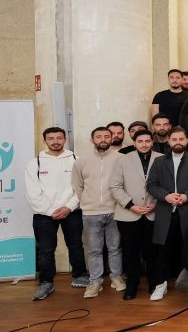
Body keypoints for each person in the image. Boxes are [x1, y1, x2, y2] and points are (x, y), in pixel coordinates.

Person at [146, 127, 188, 301]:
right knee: (163, 252)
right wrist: (166, 196)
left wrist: (187, 196)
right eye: (174, 139)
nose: (177, 142)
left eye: (181, 139)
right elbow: (151, 184)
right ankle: (160, 285)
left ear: (186, 140)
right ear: (168, 141)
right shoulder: (159, 161)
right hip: (166, 213)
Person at [26, 127, 88, 300]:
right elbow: (32, 192)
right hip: (44, 214)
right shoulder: (35, 163)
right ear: (45, 140)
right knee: (46, 250)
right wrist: (50, 211)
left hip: (72, 211)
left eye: (59, 138)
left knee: (76, 245)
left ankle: (80, 275)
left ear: (65, 139)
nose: (55, 142)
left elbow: (82, 187)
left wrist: (69, 207)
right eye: (51, 138)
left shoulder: (76, 160)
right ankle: (46, 282)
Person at [72, 127, 124, 298]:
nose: (103, 139)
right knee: (94, 249)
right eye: (98, 136)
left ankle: (116, 277)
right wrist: (86, 202)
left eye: (106, 136)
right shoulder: (81, 161)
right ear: (92, 140)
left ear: (111, 138)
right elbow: (78, 185)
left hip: (115, 210)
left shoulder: (121, 159)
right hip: (91, 212)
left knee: (115, 247)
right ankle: (95, 281)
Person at [109, 130, 161, 300]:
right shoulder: (122, 160)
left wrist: (156, 204)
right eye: (140, 141)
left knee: (152, 252)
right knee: (131, 252)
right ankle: (132, 284)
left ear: (152, 142)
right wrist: (131, 206)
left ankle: (154, 283)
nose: (144, 144)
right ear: (134, 143)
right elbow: (115, 186)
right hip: (128, 214)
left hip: (154, 213)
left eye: (147, 141)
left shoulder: (161, 158)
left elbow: (168, 185)